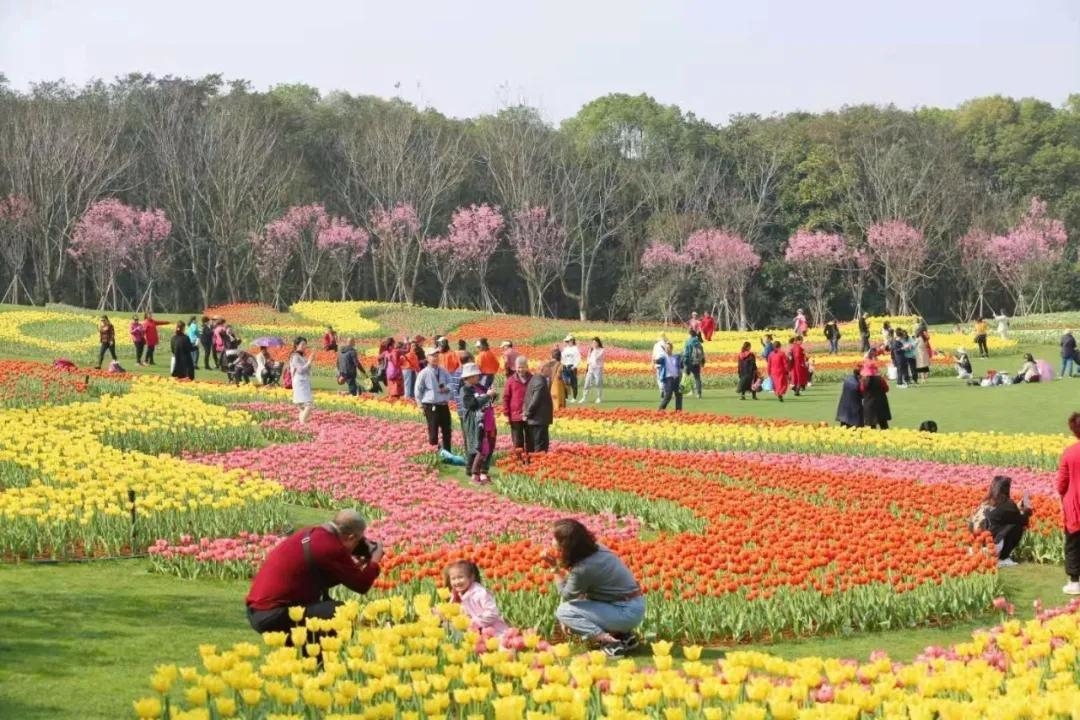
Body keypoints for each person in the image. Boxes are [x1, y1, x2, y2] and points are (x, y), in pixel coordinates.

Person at [245, 509, 382, 635]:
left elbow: (316, 576)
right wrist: (375, 559)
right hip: (272, 614)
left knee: (321, 613)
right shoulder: (330, 546)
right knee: (341, 612)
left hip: (258, 610)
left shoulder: (312, 533)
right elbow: (362, 585)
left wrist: (352, 567)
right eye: (359, 540)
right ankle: (320, 661)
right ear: (351, 537)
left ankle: (312, 659)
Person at [551, 519, 644, 657]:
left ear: (566, 544)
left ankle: (611, 643)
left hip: (625, 612)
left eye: (555, 539)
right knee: (575, 607)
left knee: (564, 611)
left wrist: (555, 569)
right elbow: (582, 592)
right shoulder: (598, 549)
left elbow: (566, 595)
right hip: (634, 605)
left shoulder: (583, 568)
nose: (552, 541)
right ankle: (624, 636)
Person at [969, 476, 1032, 567]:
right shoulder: (1007, 503)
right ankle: (1002, 557)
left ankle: (981, 554)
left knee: (1004, 524)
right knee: (1017, 526)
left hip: (975, 546)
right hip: (991, 547)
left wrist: (1016, 509)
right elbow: (1023, 521)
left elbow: (999, 514)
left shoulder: (985, 502)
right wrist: (1026, 510)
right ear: (1006, 489)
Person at [444, 560, 509, 637]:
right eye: (453, 579)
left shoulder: (480, 593)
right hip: (475, 632)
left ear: (471, 577)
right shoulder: (457, 594)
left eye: (460, 577)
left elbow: (493, 612)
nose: (457, 582)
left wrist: (473, 622)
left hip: (495, 632)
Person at [460, 362, 497, 483]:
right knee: (480, 447)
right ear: (469, 377)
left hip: (489, 420)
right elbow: (471, 404)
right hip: (477, 423)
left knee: (489, 447)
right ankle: (475, 473)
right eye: (476, 375)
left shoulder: (481, 387)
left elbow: (490, 398)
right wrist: (487, 396)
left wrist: (492, 394)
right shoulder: (465, 389)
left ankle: (484, 472)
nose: (478, 377)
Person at [1057, 414, 1080, 595]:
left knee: (1073, 543)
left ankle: (1074, 581)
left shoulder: (1069, 452)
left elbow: (1062, 483)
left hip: (1075, 503)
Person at [415, 349, 453, 453]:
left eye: (437, 356)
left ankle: (447, 453)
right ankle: (434, 452)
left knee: (447, 430)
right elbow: (418, 390)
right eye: (433, 356)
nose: (435, 358)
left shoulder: (443, 371)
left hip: (443, 404)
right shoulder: (423, 373)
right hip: (431, 405)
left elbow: (451, 383)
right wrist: (420, 405)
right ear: (427, 358)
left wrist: (447, 388)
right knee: (433, 431)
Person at [504, 356, 534, 454]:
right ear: (515, 367)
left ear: (527, 367)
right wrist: (506, 415)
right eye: (519, 367)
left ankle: (530, 460)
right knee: (517, 440)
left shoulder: (532, 379)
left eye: (523, 367)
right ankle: (519, 461)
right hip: (515, 415)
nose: (521, 369)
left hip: (529, 414)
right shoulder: (511, 380)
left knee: (530, 440)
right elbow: (506, 398)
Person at [524, 361, 555, 452]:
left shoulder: (535, 379)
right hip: (538, 420)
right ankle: (537, 464)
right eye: (549, 368)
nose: (551, 370)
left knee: (534, 445)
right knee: (540, 446)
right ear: (543, 369)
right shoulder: (540, 382)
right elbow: (535, 401)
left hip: (536, 420)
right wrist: (528, 413)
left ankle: (531, 463)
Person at [290, 337, 315, 424]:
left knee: (302, 407)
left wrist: (309, 362)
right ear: (297, 345)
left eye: (305, 344)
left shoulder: (301, 356)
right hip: (300, 382)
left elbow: (307, 370)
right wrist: (309, 361)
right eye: (302, 344)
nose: (304, 346)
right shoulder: (295, 356)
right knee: (309, 405)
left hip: (304, 381)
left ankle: (301, 425)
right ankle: (303, 423)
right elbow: (300, 370)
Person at [859, 362, 891, 430]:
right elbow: (886, 389)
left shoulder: (863, 380)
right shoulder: (880, 379)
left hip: (869, 404)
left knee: (871, 425)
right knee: (883, 424)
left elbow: (861, 391)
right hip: (880, 403)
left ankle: (873, 439)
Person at [656, 341, 684, 411]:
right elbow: (657, 361)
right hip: (668, 378)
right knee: (668, 395)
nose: (668, 349)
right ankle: (660, 409)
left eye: (669, 348)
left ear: (672, 349)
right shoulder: (663, 358)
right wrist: (656, 360)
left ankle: (678, 411)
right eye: (666, 348)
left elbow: (681, 365)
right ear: (665, 349)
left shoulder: (676, 357)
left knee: (679, 394)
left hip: (677, 378)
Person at [579, 337, 605, 404]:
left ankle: (599, 397)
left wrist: (594, 350)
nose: (593, 344)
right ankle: (584, 397)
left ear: (598, 343)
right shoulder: (590, 350)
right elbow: (588, 360)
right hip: (591, 369)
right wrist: (587, 368)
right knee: (587, 383)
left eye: (595, 343)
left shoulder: (601, 350)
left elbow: (596, 358)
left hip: (598, 369)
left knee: (598, 383)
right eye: (593, 343)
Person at [681, 330, 705, 399]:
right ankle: (699, 393)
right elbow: (702, 354)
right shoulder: (699, 343)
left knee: (685, 377)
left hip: (689, 362)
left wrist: (684, 362)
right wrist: (702, 362)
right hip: (696, 363)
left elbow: (686, 353)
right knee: (697, 378)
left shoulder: (688, 342)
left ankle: (682, 392)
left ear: (690, 335)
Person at [560, 335, 581, 402]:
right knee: (565, 381)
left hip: (572, 367)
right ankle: (566, 396)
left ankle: (574, 398)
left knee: (573, 383)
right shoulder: (565, 349)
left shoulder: (575, 349)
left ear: (572, 341)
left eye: (568, 341)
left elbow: (578, 359)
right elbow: (562, 358)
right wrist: (562, 364)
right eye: (566, 341)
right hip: (565, 367)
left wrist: (574, 366)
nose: (567, 342)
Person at [402, 339, 422, 403]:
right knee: (408, 383)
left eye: (415, 346)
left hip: (410, 370)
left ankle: (411, 396)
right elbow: (415, 363)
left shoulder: (413, 354)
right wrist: (418, 370)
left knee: (412, 382)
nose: (414, 347)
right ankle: (407, 397)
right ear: (410, 346)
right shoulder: (410, 354)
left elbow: (415, 363)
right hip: (407, 369)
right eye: (412, 345)